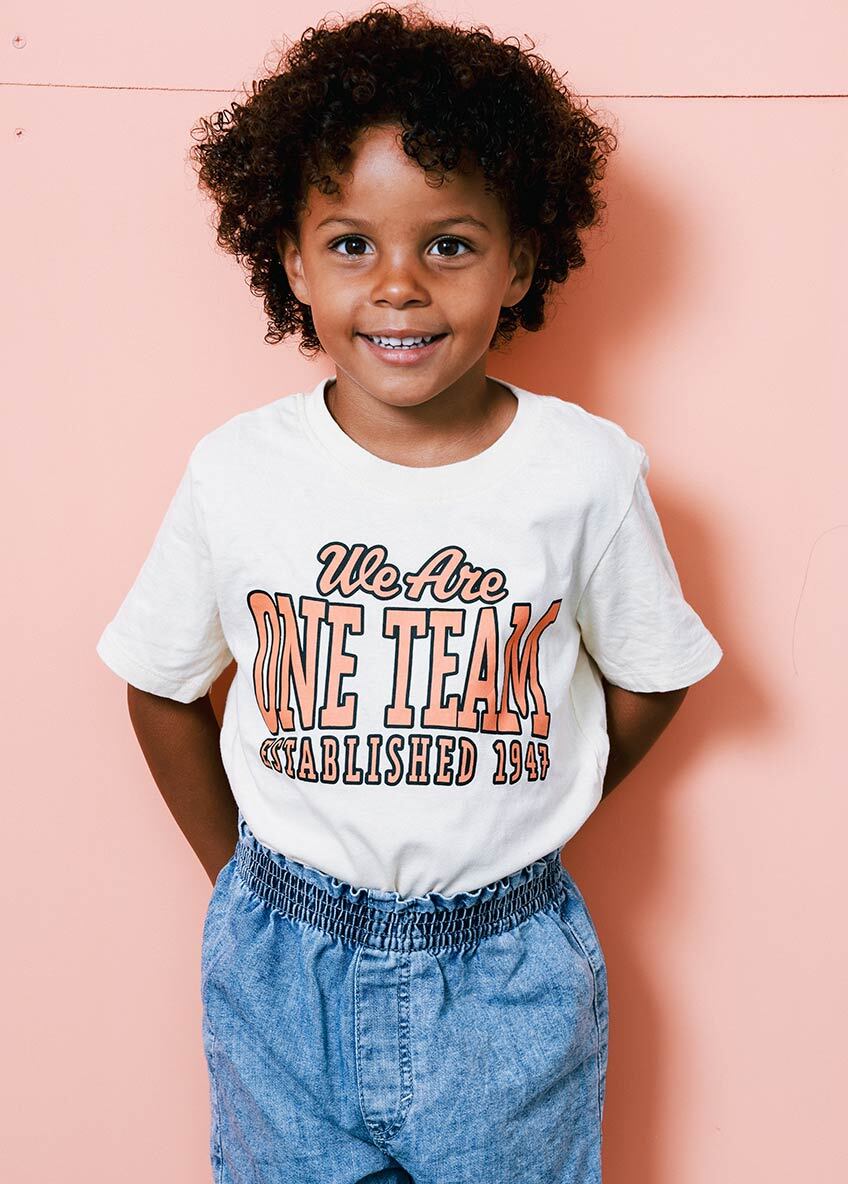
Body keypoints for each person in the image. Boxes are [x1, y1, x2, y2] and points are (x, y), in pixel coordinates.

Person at [95, 5, 723, 1181]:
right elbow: (159, 685)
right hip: (283, 959)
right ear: (290, 259)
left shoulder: (583, 473)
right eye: (349, 243)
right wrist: (240, 878)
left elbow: (652, 672)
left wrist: (549, 792)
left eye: (449, 245)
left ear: (518, 261)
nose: (397, 285)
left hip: (507, 967)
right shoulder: (238, 471)